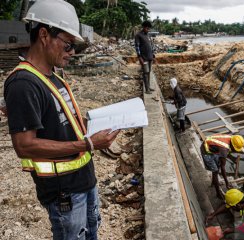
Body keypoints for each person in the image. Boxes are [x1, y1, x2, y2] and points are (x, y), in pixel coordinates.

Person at [3, 1, 120, 239]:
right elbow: (24, 146)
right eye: (67, 45)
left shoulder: (53, 78)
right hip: (63, 192)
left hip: (84, 181)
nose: (72, 52)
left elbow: (62, 124)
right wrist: (88, 144)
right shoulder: (24, 84)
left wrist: (91, 128)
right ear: (44, 35)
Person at [201, 134, 244, 198]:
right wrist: (227, 183)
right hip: (205, 150)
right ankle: (218, 193)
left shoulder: (231, 138)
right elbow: (223, 168)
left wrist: (233, 159)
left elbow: (226, 151)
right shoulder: (224, 149)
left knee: (217, 166)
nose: (235, 150)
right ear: (233, 145)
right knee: (215, 171)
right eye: (235, 149)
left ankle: (214, 183)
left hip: (212, 146)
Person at [135, 20, 155, 94]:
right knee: (145, 73)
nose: (148, 30)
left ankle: (148, 86)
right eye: (147, 28)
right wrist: (139, 57)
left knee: (149, 72)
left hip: (150, 57)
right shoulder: (138, 35)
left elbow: (151, 46)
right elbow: (137, 47)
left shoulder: (147, 35)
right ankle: (147, 89)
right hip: (144, 58)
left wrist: (153, 55)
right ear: (143, 27)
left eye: (149, 28)